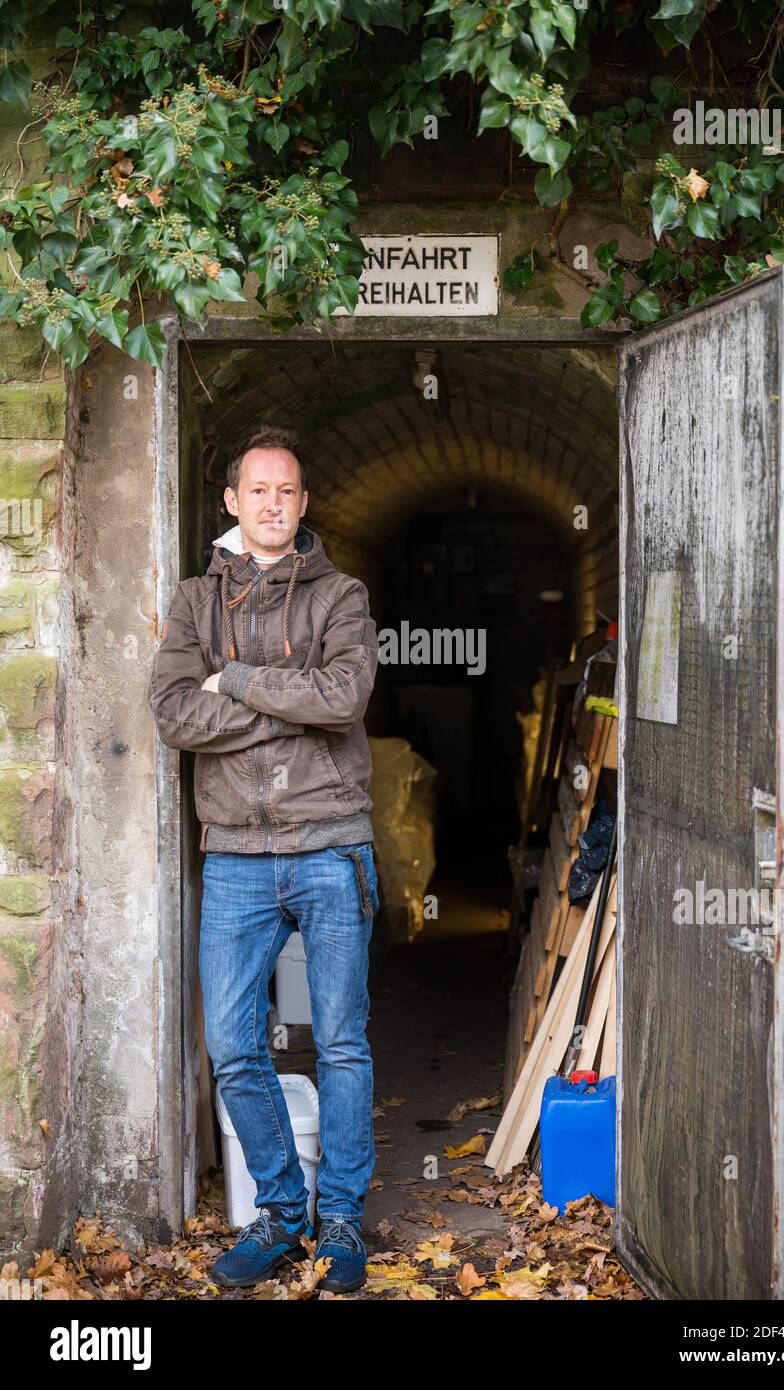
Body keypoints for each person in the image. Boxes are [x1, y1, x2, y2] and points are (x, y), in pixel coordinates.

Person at [148, 425, 379, 1294]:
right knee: (235, 1045)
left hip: (330, 843)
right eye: (259, 491)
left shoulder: (342, 596)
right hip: (237, 853)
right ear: (232, 502)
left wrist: (236, 682)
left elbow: (346, 695)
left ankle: (344, 1220)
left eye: (288, 492)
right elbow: (174, 713)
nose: (273, 505)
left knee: (342, 1043)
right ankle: (284, 1214)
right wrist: (297, 705)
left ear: (304, 504)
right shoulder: (195, 603)